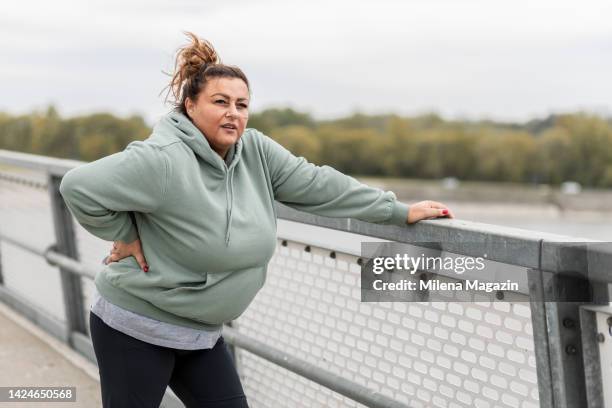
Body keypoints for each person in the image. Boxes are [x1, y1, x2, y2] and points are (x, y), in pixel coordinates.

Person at [59, 32, 454, 408]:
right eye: (220, 102)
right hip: (137, 327)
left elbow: (319, 184)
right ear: (190, 106)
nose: (233, 113)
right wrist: (124, 233)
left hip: (202, 333)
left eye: (242, 104)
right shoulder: (162, 159)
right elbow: (79, 186)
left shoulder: (256, 153)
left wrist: (398, 211)